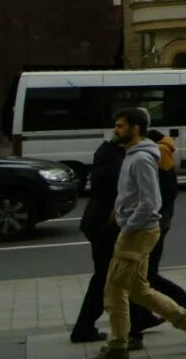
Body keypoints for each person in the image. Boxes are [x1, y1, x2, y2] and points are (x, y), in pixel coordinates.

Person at [98, 108, 186, 359]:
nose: (115, 130)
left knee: (114, 288)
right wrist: (119, 210)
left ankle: (118, 346)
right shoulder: (132, 155)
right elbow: (133, 194)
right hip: (139, 229)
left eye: (120, 126)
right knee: (138, 290)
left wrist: (127, 226)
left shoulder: (141, 159)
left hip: (137, 233)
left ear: (135, 129)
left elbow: (151, 202)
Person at [128, 129, 186, 350]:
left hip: (152, 226)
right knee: (143, 278)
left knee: (142, 278)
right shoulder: (163, 153)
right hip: (159, 223)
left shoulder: (156, 157)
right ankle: (141, 322)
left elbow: (153, 197)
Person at [71, 138, 127, 343]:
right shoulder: (117, 159)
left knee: (108, 275)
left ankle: (85, 326)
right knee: (108, 277)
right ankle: (84, 327)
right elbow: (119, 189)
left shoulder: (106, 151)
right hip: (105, 224)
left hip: (96, 221)